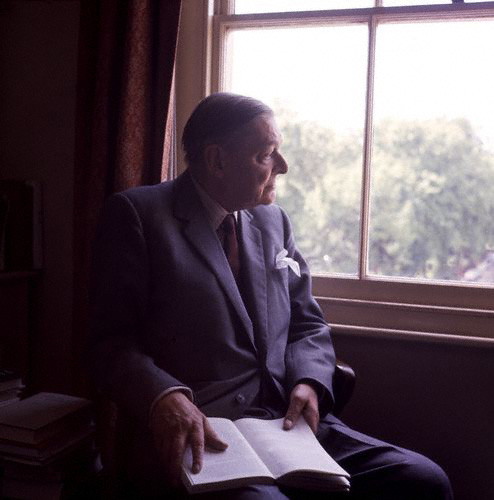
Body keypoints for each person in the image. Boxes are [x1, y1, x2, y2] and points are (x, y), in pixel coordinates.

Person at [89, 93, 453, 499]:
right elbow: (110, 344)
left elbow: (307, 323)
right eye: (266, 154)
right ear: (217, 160)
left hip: (287, 426)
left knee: (424, 480)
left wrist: (310, 381)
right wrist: (164, 397)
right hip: (203, 433)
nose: (283, 165)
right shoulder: (138, 215)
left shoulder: (273, 220)